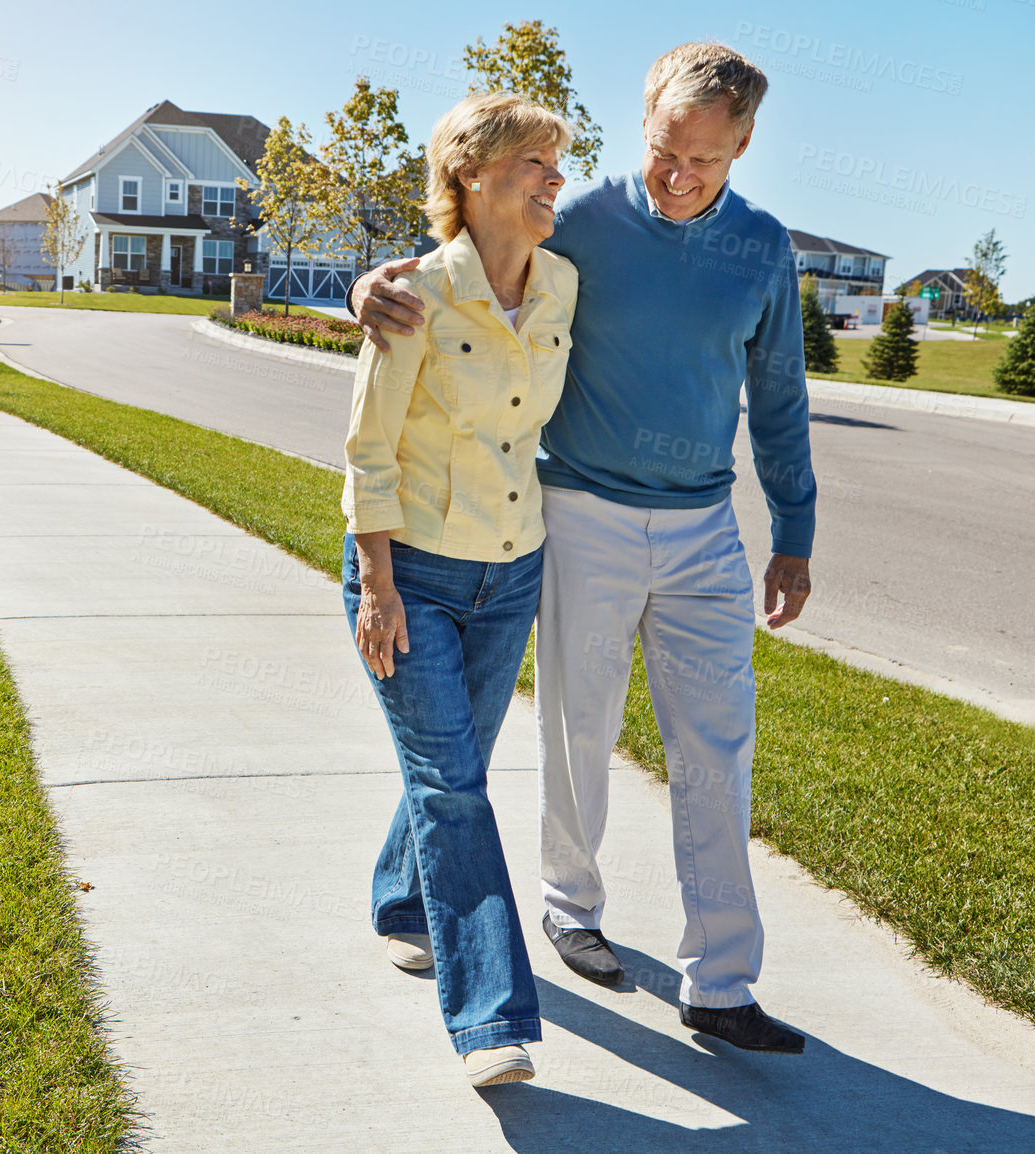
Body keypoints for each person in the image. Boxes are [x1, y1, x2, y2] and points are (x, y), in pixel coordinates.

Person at [349, 43, 815, 1055]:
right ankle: (558, 922)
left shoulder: (762, 248)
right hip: (579, 515)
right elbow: (455, 265)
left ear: (742, 147)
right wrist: (369, 286)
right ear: (643, 120)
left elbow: (778, 397)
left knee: (714, 749)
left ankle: (721, 980)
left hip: (700, 526)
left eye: (707, 159)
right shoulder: (585, 224)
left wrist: (795, 531)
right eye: (663, 149)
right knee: (557, 737)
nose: (679, 174)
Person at [341, 91, 577, 1088]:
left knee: (455, 764)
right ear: (469, 171)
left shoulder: (565, 282)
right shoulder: (413, 293)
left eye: (558, 164)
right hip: (413, 572)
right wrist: (379, 588)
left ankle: (403, 901)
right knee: (451, 782)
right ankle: (490, 1019)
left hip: (512, 566)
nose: (553, 179)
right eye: (533, 161)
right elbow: (367, 449)